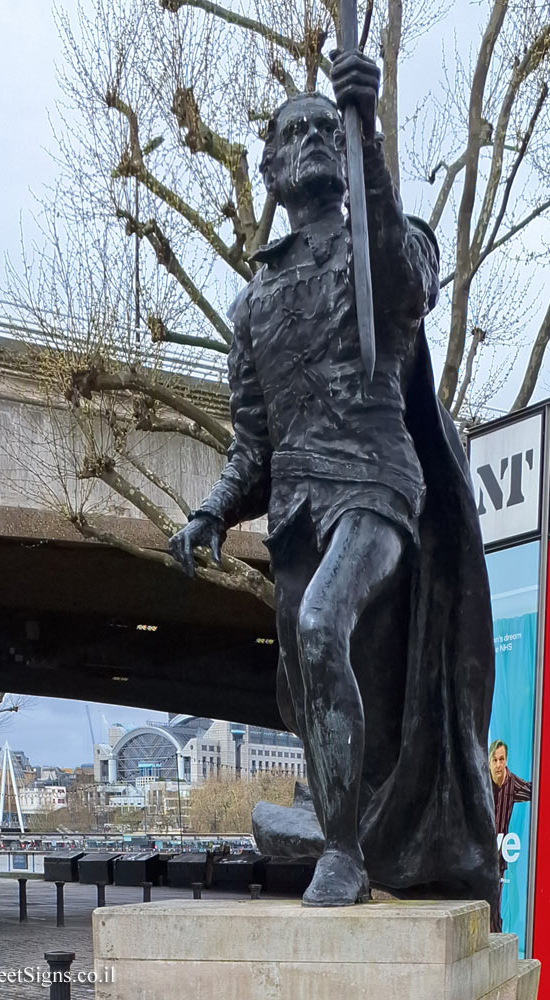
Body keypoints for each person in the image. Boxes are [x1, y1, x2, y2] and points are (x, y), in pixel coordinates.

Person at [170, 48, 498, 910]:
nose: (313, 140)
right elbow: (254, 444)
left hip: (376, 487)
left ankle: (343, 855)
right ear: (272, 169)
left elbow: (401, 281)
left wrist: (374, 145)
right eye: (295, 133)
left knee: (322, 625)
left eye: (328, 128)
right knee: (308, 684)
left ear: (343, 152)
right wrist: (209, 510)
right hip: (296, 511)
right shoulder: (252, 305)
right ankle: (344, 822)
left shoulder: (386, 242)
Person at [489, 739, 532, 931]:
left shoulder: (512, 783)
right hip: (479, 853)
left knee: (495, 901)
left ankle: (496, 936)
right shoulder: (481, 780)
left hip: (499, 854)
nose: (499, 765)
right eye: (495, 760)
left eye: (502, 759)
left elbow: (535, 791)